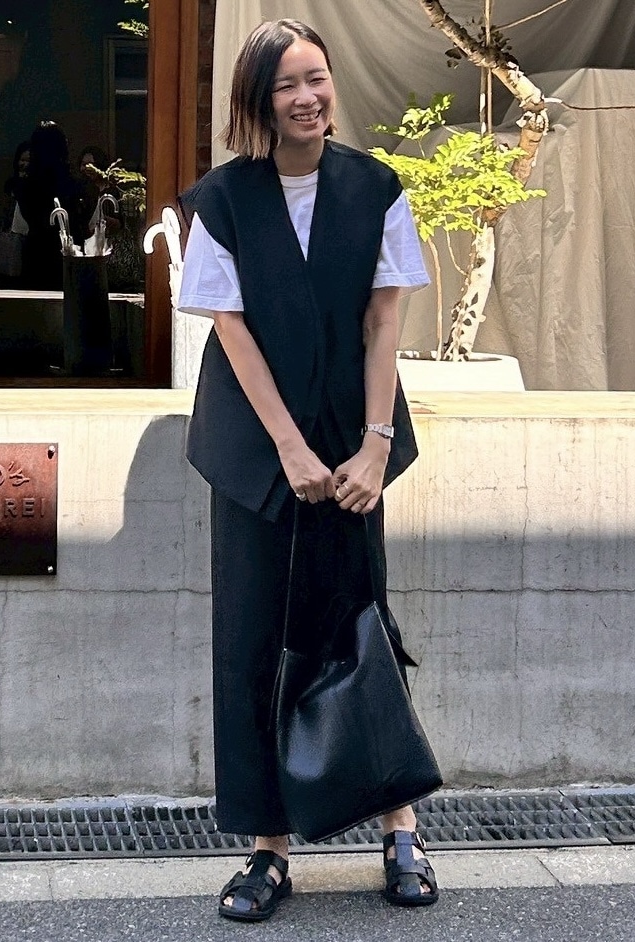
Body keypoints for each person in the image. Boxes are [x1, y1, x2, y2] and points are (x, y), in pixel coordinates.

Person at [176, 19, 438, 921]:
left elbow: (383, 322)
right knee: (252, 639)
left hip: (354, 442)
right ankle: (267, 849)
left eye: (316, 77)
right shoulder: (221, 200)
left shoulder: (376, 188)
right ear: (257, 99)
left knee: (363, 624)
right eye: (287, 83)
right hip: (257, 455)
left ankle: (401, 829)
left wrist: (374, 443)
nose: (307, 97)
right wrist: (289, 447)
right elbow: (231, 332)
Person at [13, 121, 84, 289]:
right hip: (67, 251)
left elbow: (26, 219)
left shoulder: (26, 185)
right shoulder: (71, 183)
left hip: (36, 251)